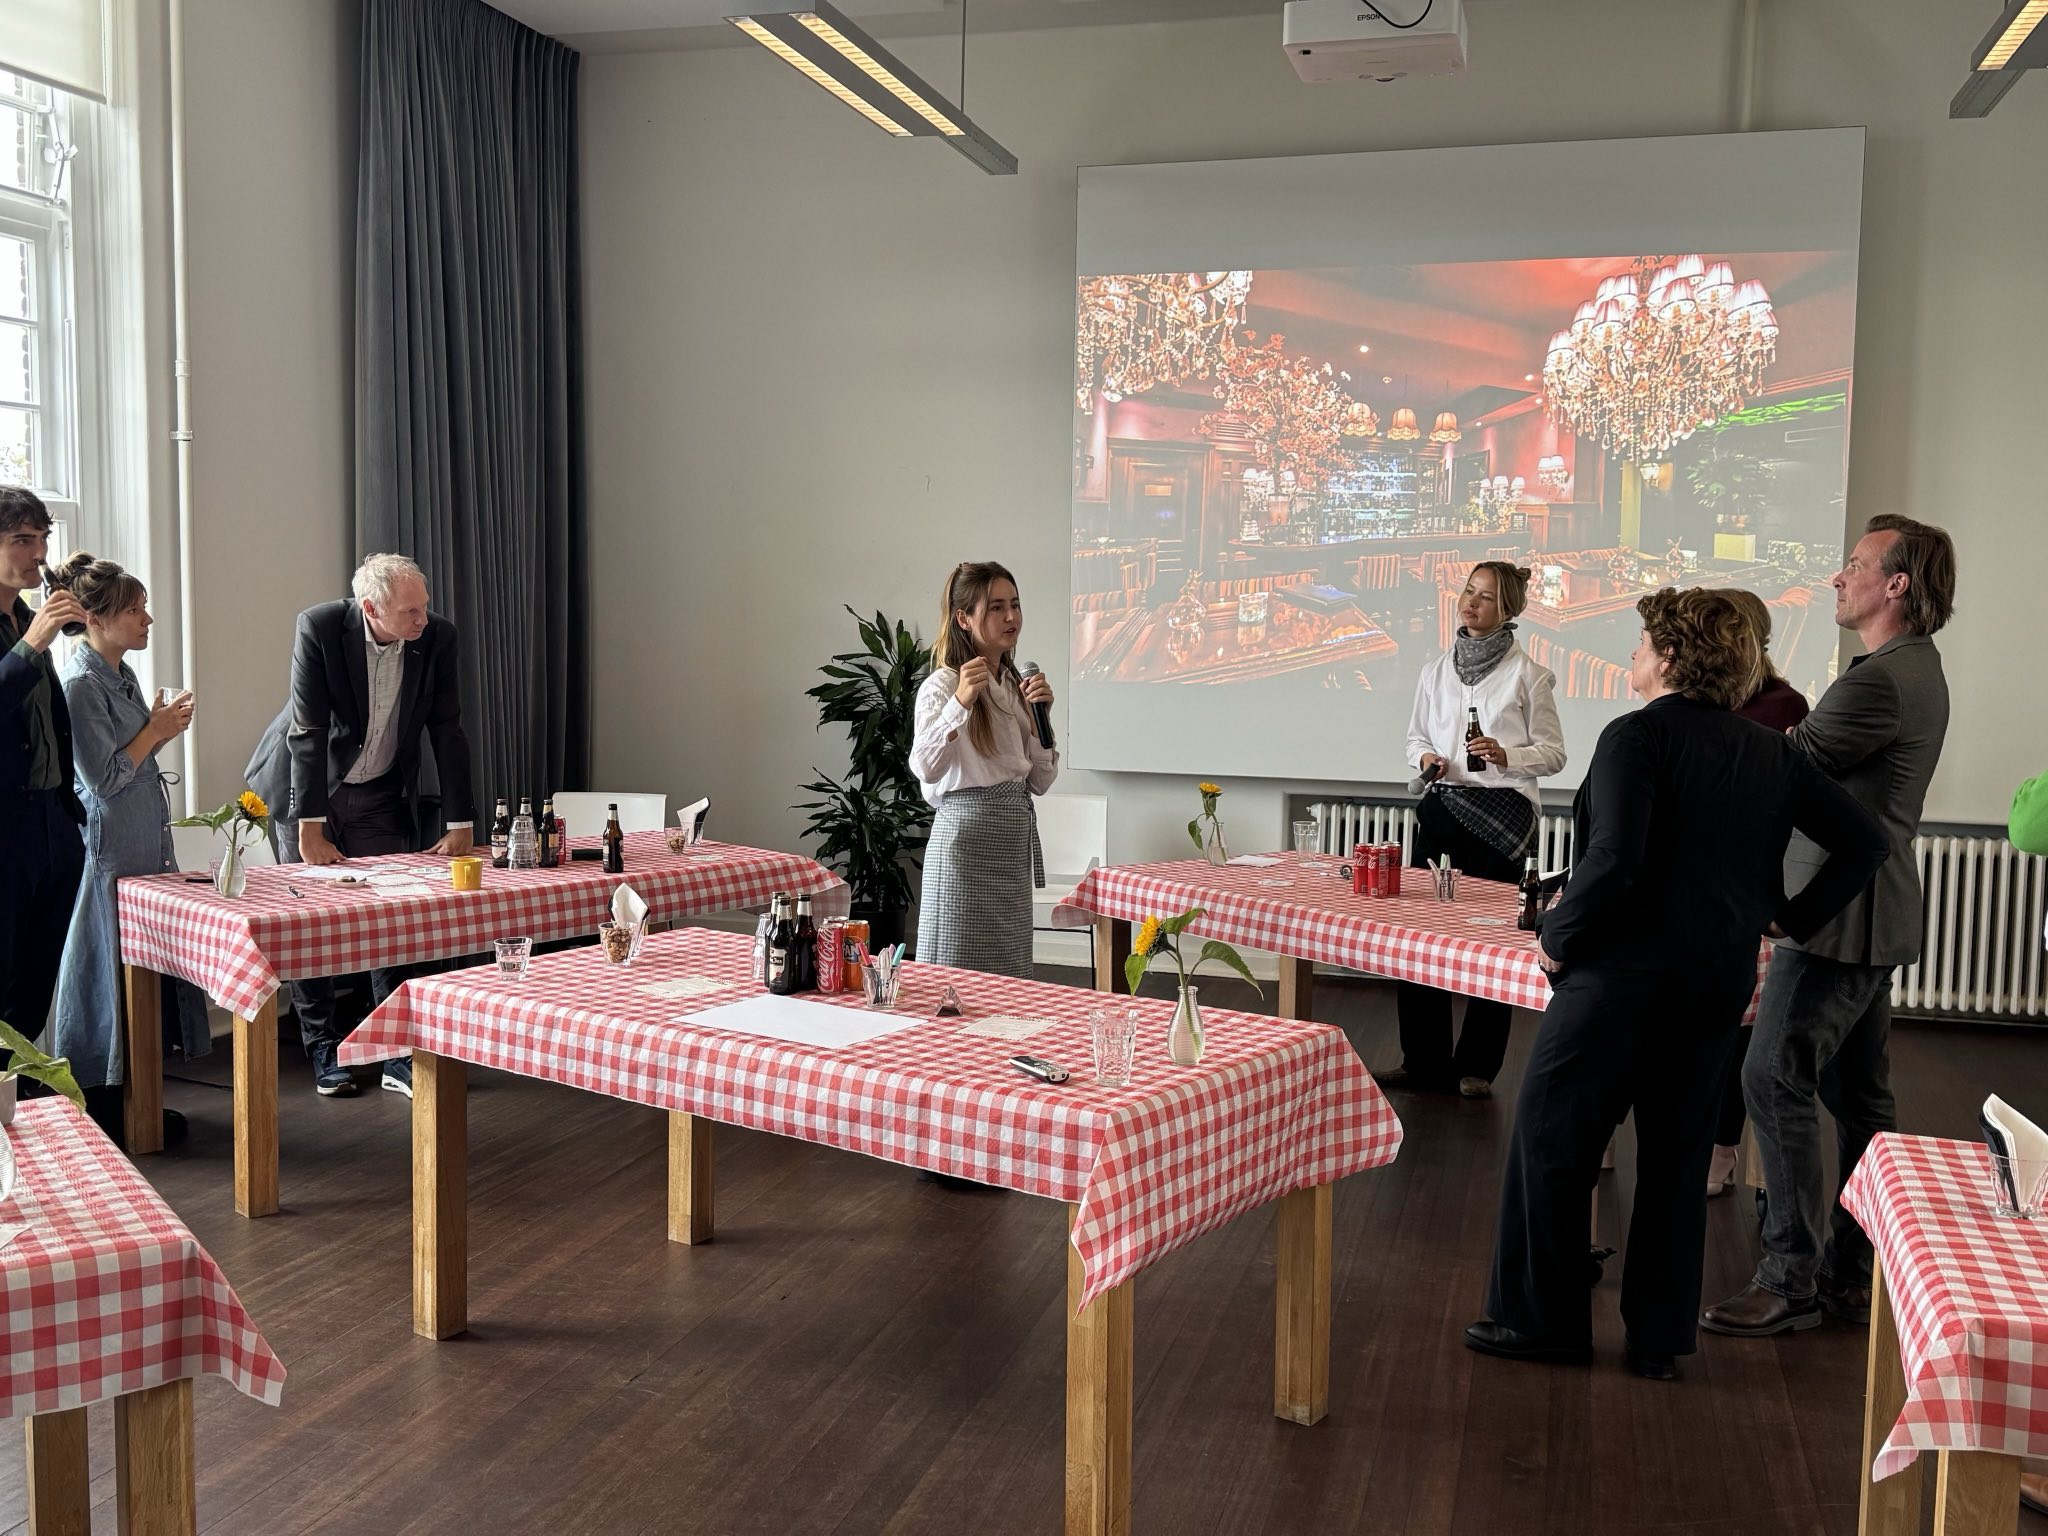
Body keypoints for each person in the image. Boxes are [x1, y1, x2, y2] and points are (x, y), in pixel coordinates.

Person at [1465, 589, 1883, 1381]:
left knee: (1552, 1141)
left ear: (1671, 656)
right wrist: (1788, 917)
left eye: (1643, 642)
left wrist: (1557, 939)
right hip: (1715, 983)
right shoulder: (1771, 750)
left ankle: (1540, 1323)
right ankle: (1658, 1341)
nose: (1632, 655)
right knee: (1675, 1161)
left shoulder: (1637, 737)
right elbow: (1862, 843)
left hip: (1620, 980)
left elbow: (1615, 860)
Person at [1703, 514, 1954, 1339]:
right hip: (1872, 915)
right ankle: (1853, 1269)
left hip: (1841, 921)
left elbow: (1790, 763)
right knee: (1859, 1098)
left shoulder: (1880, 681)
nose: (1837, 578)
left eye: (1854, 565)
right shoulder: (1914, 669)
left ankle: (1790, 1277)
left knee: (1771, 1077)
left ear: (1897, 584)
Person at [245, 553, 476, 1099]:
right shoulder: (321, 626)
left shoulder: (436, 637)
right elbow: (307, 731)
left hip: (379, 792)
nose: (423, 619)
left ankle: (393, 1048)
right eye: (410, 611)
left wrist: (460, 819)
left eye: (424, 607)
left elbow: (448, 729)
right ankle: (324, 1049)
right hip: (308, 789)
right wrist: (309, 825)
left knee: (390, 917)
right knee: (309, 923)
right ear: (371, 608)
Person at [46, 553, 210, 1144]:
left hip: (142, 843)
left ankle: (137, 1100)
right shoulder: (80, 682)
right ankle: (99, 1106)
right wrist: (159, 729)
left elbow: (132, 761)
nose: (147, 619)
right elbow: (104, 778)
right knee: (104, 975)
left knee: (138, 976)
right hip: (109, 848)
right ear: (95, 617)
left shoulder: (120, 674)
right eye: (135, 609)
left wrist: (158, 726)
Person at [1385, 561, 1565, 1098]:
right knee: (1416, 936)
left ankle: (1477, 1067)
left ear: (1508, 610)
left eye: (1486, 597)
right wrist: (1428, 761)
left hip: (1502, 817)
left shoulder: (1529, 674)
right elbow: (1415, 737)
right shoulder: (1435, 669)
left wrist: (1507, 754)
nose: (1472, 603)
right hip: (1442, 811)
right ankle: (1421, 1060)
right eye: (1469, 591)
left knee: (1491, 939)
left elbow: (1554, 754)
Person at [1704, 589, 1812, 1196]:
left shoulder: (1786, 705)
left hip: (1749, 888)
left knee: (1738, 1034)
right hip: (1691, 891)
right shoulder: (1694, 701)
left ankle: (1722, 1149)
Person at [909, 561, 1059, 980]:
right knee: (955, 977)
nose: (1011, 617)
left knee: (1007, 977)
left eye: (1014, 605)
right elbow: (924, 766)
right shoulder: (942, 685)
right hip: (964, 846)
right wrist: (960, 703)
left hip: (1012, 841)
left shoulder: (1016, 685)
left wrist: (1041, 720)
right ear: (963, 618)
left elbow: (1041, 782)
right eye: (995, 607)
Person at [0, 487, 86, 1043]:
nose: (39, 552)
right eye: (22, 539)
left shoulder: (28, 616)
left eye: (43, 538)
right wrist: (33, 643)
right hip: (7, 828)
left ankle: (21, 1096)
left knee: (38, 975)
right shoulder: (31, 630)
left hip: (54, 821)